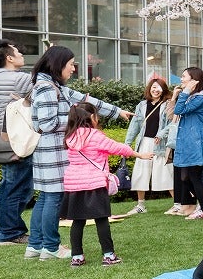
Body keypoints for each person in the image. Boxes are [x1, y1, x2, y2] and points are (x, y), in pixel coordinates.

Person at [25, 46, 129, 261]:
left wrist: (117, 112)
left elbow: (86, 102)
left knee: (46, 198)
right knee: (52, 198)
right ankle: (51, 247)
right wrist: (79, 122)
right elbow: (47, 123)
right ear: (58, 65)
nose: (73, 68)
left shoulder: (55, 86)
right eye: (71, 64)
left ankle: (35, 246)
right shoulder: (46, 88)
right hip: (52, 152)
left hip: (50, 152)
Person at [62, 102, 152, 267]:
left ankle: (77, 257)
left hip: (74, 185)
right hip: (94, 183)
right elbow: (117, 147)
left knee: (77, 221)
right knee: (101, 220)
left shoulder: (70, 136)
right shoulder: (95, 136)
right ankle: (108, 255)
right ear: (91, 117)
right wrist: (139, 154)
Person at [0, 38, 33, 244]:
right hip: (17, 139)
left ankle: (5, 231)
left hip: (6, 138)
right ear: (9, 58)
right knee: (15, 188)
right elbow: (46, 86)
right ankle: (9, 233)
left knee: (11, 186)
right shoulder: (16, 78)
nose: (22, 55)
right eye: (18, 52)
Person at [167, 67, 203, 220]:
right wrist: (179, 94)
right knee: (185, 177)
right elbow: (174, 113)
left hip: (196, 143)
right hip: (190, 142)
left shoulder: (201, 98)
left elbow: (179, 110)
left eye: (183, 76)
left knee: (193, 176)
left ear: (194, 80)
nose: (181, 79)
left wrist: (186, 91)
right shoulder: (193, 97)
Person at [125, 77, 174, 214]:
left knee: (166, 173)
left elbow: (172, 123)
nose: (155, 90)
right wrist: (127, 144)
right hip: (144, 143)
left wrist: (162, 134)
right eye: (153, 87)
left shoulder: (168, 104)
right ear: (149, 88)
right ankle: (141, 205)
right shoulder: (141, 105)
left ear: (163, 89)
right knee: (141, 172)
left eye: (159, 87)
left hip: (160, 144)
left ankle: (178, 204)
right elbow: (134, 125)